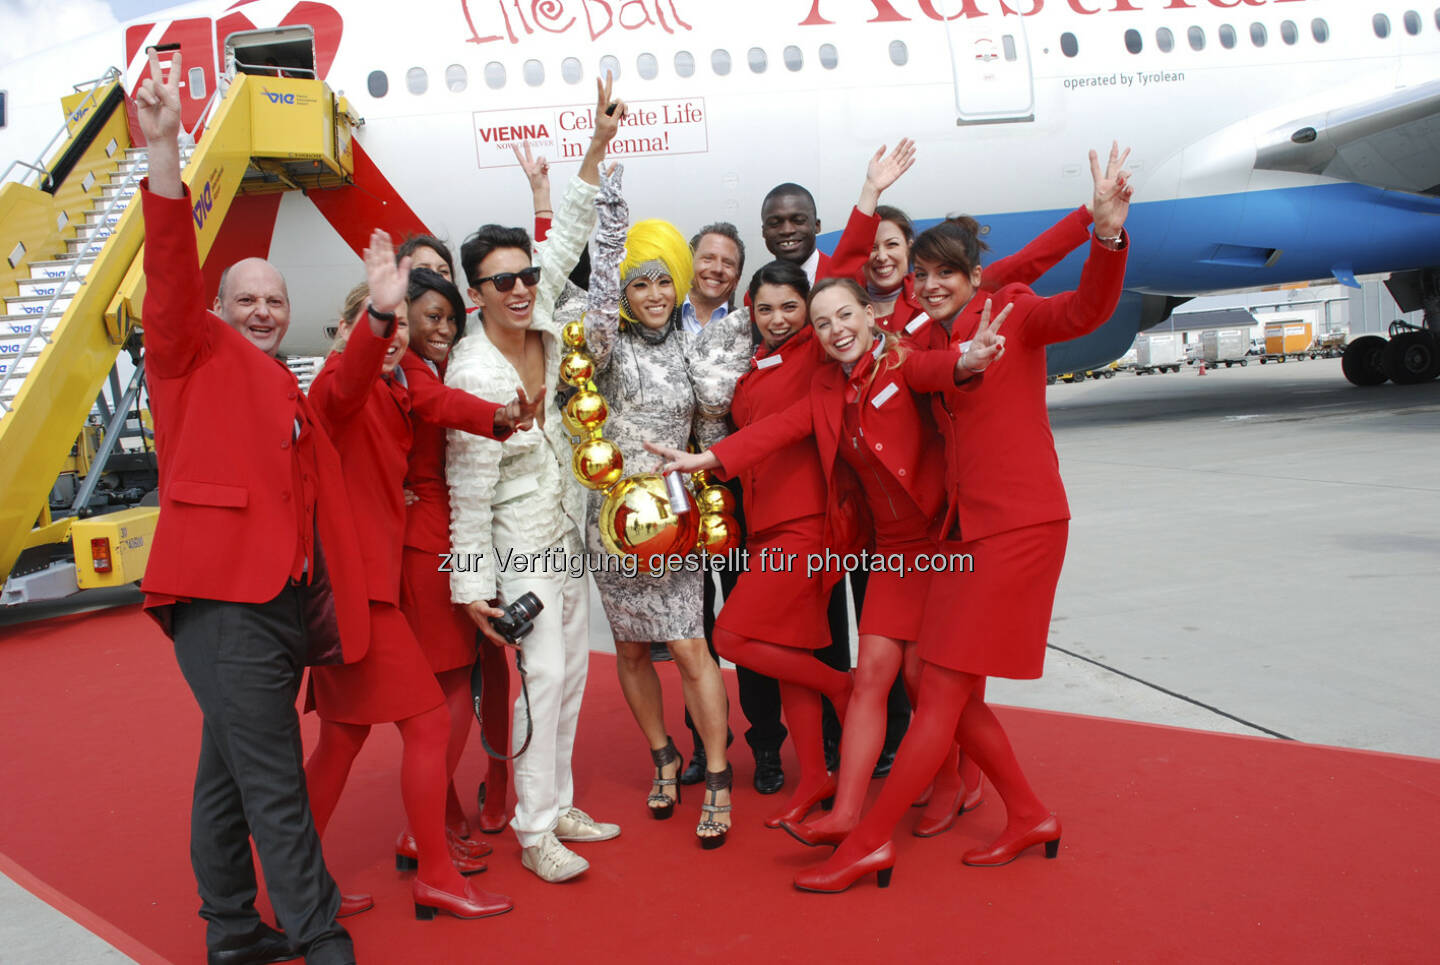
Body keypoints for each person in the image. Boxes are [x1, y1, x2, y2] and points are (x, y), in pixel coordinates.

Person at [791, 144, 1133, 893]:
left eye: (948, 270)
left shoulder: (1011, 312)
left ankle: (870, 841)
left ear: (976, 277)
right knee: (954, 691)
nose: (932, 282)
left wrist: (1101, 234)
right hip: (960, 535)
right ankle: (1030, 812)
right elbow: (850, 303)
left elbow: (1086, 308)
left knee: (938, 692)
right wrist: (868, 196)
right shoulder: (920, 339)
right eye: (923, 272)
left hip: (1018, 528)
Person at [135, 49, 363, 965]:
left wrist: (378, 319)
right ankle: (321, 933)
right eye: (248, 298)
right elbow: (169, 273)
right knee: (271, 780)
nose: (265, 310)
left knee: (229, 776)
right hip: (223, 597)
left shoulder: (282, 383)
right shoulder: (190, 354)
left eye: (276, 299)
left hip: (277, 605)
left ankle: (230, 928)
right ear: (219, 308)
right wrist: (161, 155)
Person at [647, 278, 1005, 843]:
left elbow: (932, 371)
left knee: (903, 673)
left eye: (797, 308)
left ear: (867, 314)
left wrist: (967, 360)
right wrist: (705, 460)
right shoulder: (815, 381)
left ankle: (954, 778)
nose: (787, 319)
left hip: (907, 537)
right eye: (767, 308)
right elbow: (774, 430)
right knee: (841, 664)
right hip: (875, 544)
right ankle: (821, 779)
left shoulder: (890, 361)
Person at [303, 248, 532, 920]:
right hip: (363, 590)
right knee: (431, 718)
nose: (401, 331)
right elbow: (350, 384)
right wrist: (378, 313)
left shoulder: (398, 386)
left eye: (411, 321)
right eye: (389, 320)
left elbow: (426, 401)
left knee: (342, 743)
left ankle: (293, 881)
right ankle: (431, 868)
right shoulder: (344, 385)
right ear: (350, 327)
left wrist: (498, 418)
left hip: (371, 586)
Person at [446, 77, 627, 884]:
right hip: (518, 542)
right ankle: (532, 826)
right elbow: (467, 489)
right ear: (473, 292)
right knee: (542, 675)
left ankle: (559, 804)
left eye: (525, 275)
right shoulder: (473, 371)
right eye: (502, 280)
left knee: (575, 670)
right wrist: (470, 585)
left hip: (566, 526)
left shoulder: (538, 312)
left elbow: (567, 242)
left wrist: (593, 150)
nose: (521, 287)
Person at [582, 165, 751, 847]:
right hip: (613, 522)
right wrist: (610, 222)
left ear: (678, 283)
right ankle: (662, 754)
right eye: (638, 282)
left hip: (674, 515)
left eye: (662, 280)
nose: (653, 295)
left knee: (687, 644)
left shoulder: (697, 345)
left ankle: (716, 772)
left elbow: (712, 431)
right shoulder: (606, 345)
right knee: (628, 648)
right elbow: (595, 303)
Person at [394, 267, 512, 869]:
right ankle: (424, 831)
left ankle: (440, 821)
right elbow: (430, 406)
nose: (441, 328)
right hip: (429, 549)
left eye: (448, 317)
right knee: (443, 697)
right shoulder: (409, 368)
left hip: (439, 538)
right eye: (431, 316)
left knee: (444, 695)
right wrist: (498, 415)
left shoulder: (424, 364)